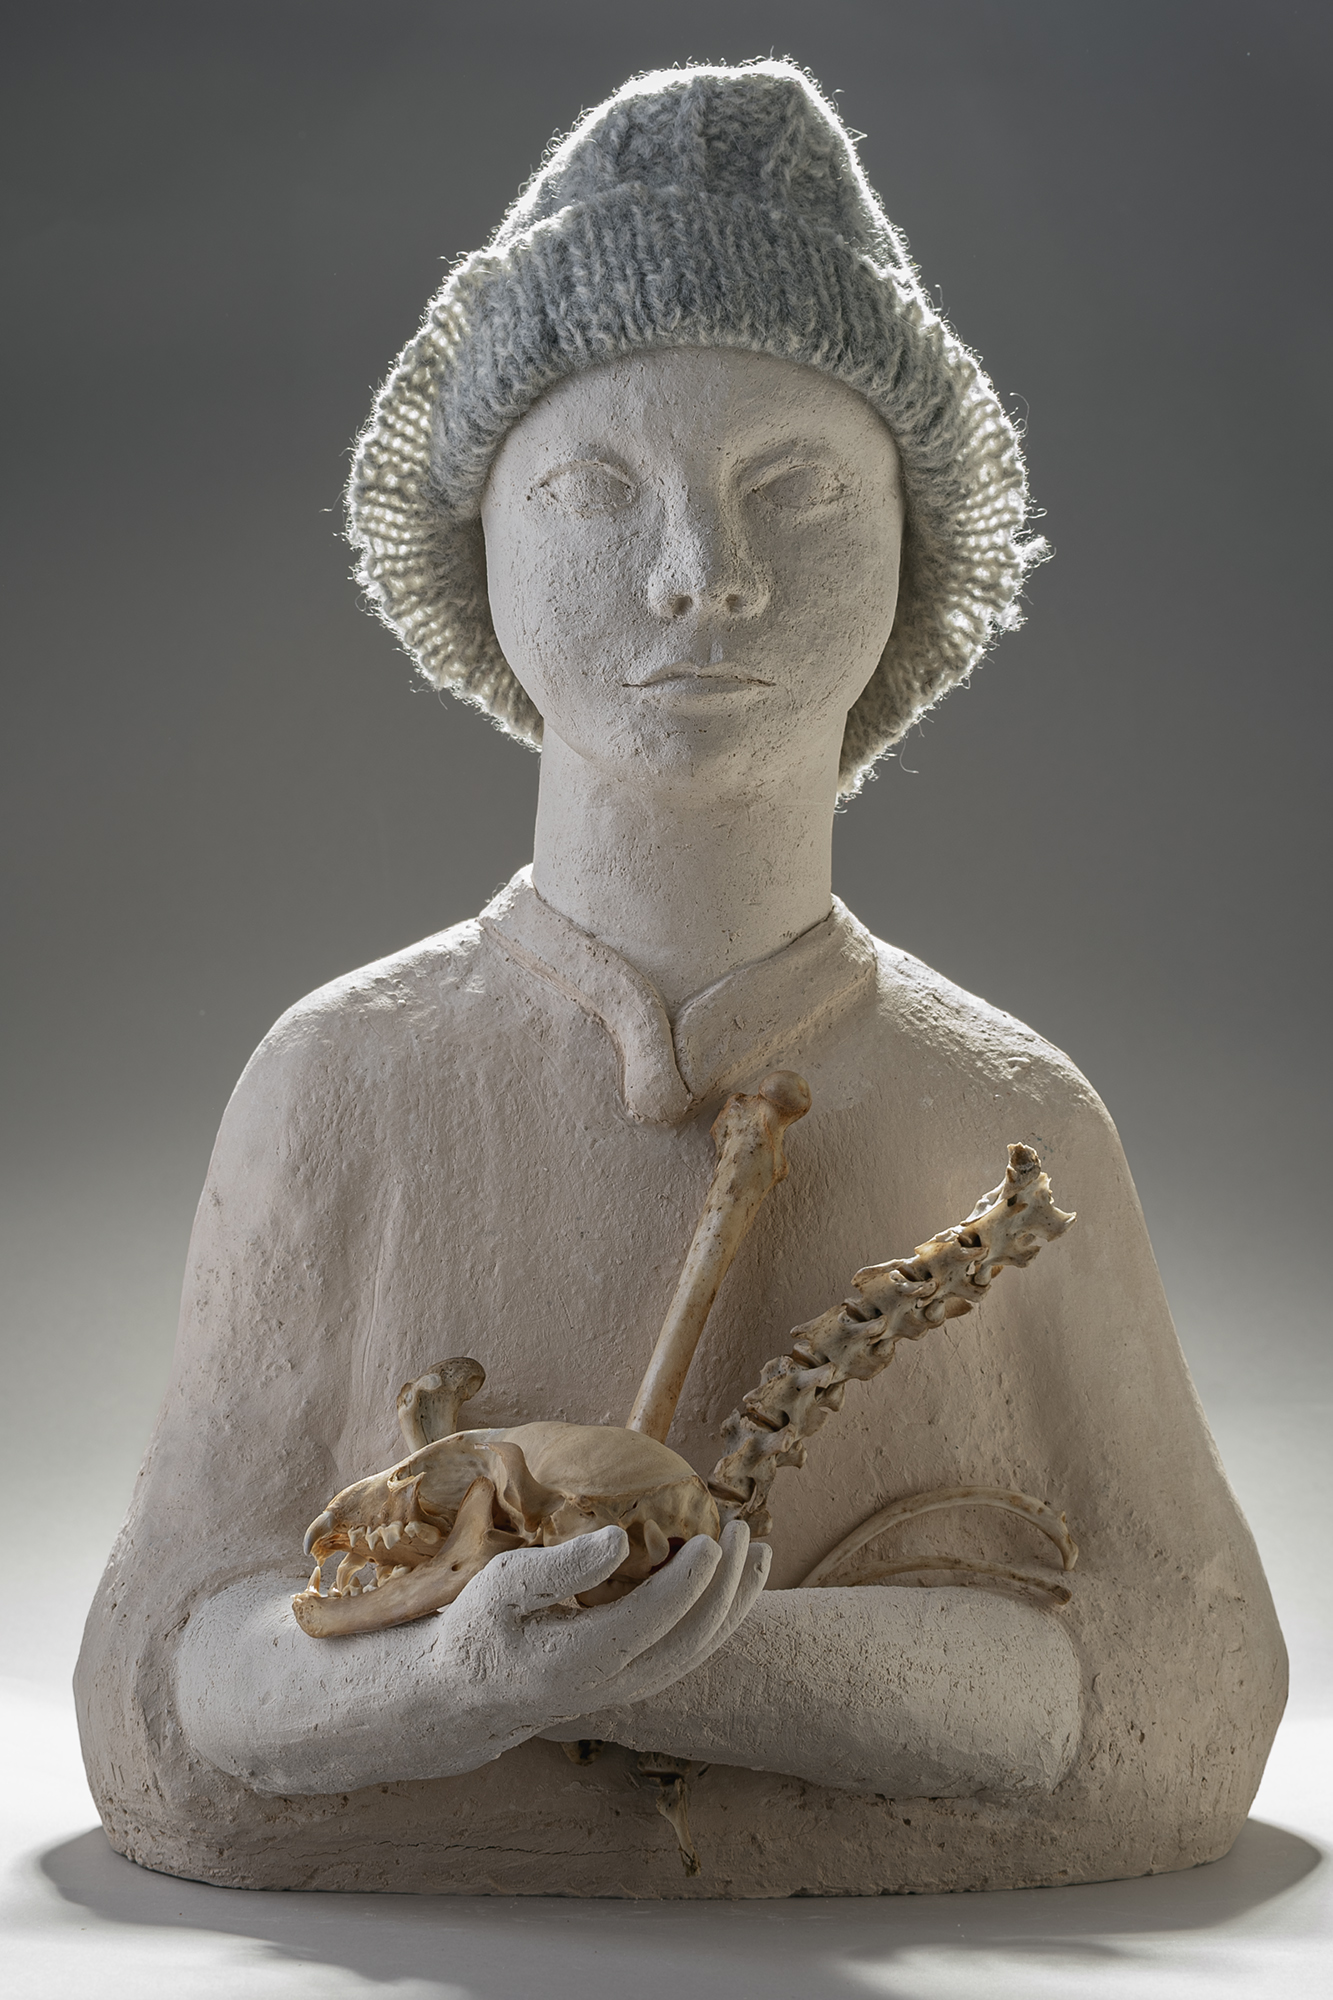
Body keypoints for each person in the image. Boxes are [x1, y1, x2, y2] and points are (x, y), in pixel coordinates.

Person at [74, 61, 1284, 1898]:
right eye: (596, 488)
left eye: (792, 489)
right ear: (477, 549)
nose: (700, 573)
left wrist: (696, 1662)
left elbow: (1185, 1684)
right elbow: (161, 1686)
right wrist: (452, 1678)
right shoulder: (340, 1085)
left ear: (914, 549)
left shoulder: (1010, 1117)